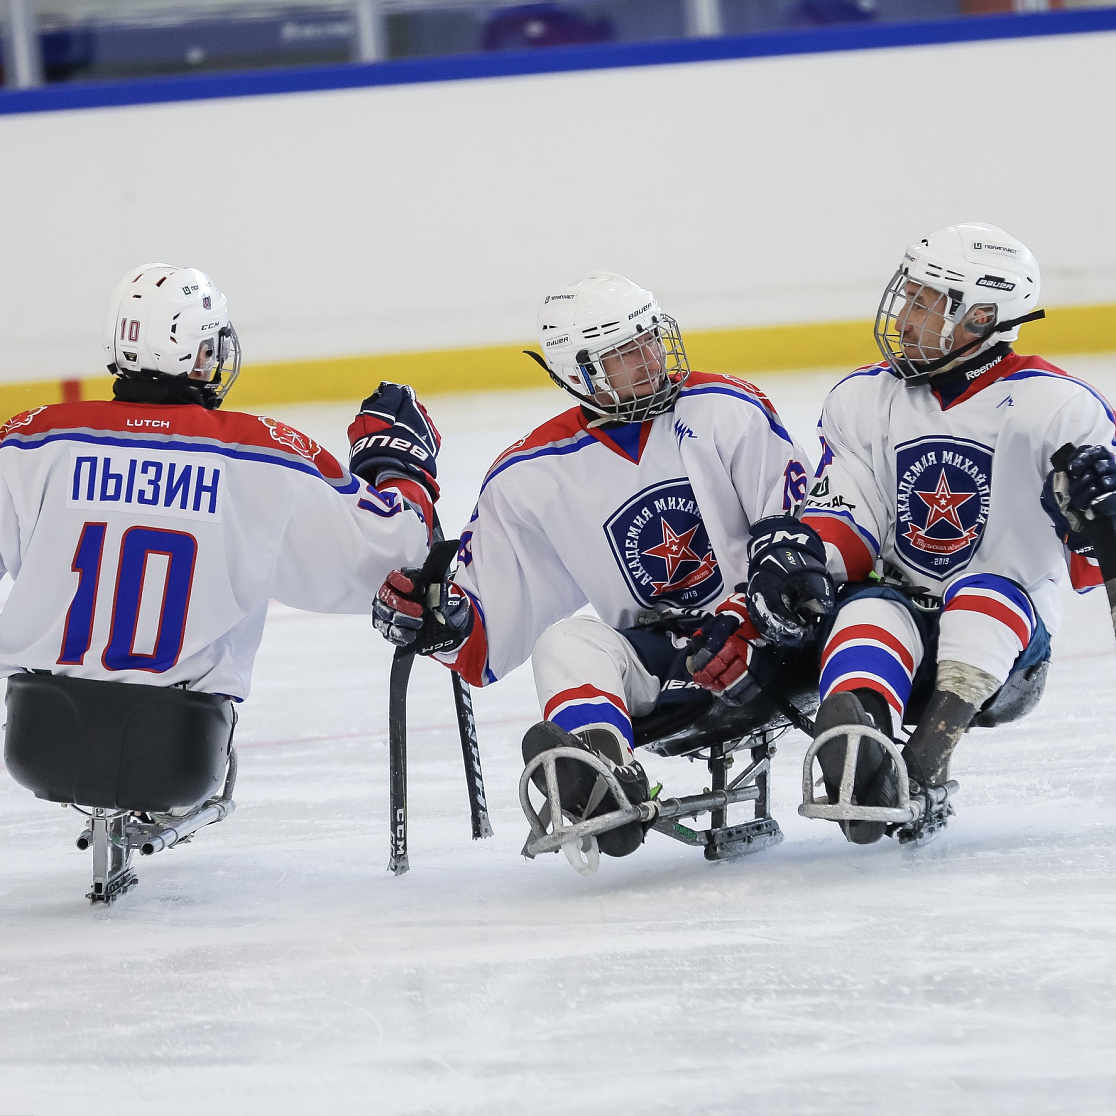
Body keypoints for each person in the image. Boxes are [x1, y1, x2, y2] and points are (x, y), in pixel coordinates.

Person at [371, 271, 831, 858]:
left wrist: (754, 617)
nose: (651, 360)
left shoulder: (724, 409)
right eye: (626, 353)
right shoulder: (532, 476)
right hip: (670, 662)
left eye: (650, 340)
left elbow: (802, 533)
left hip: (770, 637)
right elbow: (486, 633)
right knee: (564, 643)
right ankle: (603, 773)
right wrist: (441, 617)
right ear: (579, 373)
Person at [695, 223, 1116, 844]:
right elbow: (850, 515)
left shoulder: (1060, 407)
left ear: (980, 317)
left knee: (982, 593)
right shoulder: (864, 397)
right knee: (868, 607)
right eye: (908, 295)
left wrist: (1099, 518)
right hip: (905, 625)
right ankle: (860, 737)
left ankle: (923, 762)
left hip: (1006, 657)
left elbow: (1090, 562)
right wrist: (806, 560)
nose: (903, 315)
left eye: (924, 302)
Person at [1, 263, 438, 844]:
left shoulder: (29, 440)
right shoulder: (261, 453)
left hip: (40, 738)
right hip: (177, 749)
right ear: (197, 355)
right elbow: (396, 549)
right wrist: (398, 465)